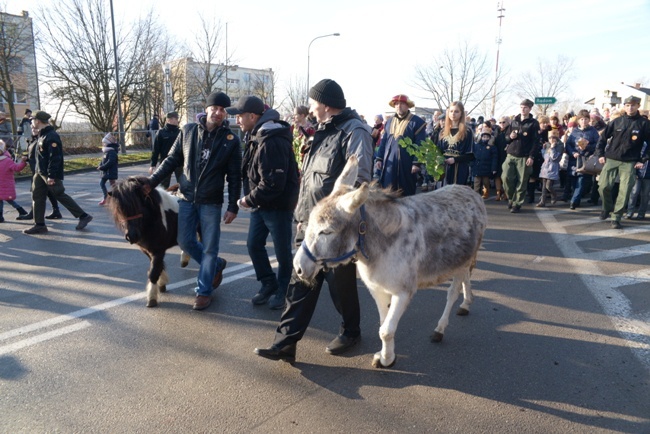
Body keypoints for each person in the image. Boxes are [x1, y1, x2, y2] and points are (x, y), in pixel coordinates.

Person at [255, 78, 373, 363]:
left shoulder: (353, 131)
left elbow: (361, 179)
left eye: (313, 102)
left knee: (339, 285)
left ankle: (351, 331)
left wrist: (338, 219)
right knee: (300, 280)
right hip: (311, 224)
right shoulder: (322, 132)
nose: (310, 107)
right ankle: (285, 342)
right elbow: (310, 181)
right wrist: (302, 217)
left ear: (326, 104)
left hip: (335, 228)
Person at [148, 91, 241, 310]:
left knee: (209, 248)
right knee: (185, 241)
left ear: (225, 113)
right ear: (206, 108)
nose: (217, 113)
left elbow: (235, 176)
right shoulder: (187, 131)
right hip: (187, 198)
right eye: (214, 108)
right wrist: (151, 182)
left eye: (222, 110)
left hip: (211, 202)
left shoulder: (231, 140)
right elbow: (171, 160)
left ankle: (204, 291)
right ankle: (216, 266)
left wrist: (232, 206)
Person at [228, 96, 299, 310]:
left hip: (276, 206)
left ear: (252, 116)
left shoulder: (271, 139)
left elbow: (272, 183)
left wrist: (247, 200)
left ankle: (285, 289)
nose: (237, 120)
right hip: (262, 204)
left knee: (282, 252)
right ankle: (269, 283)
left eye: (239, 116)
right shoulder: (257, 135)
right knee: (254, 245)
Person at [23, 111, 93, 235]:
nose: (31, 122)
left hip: (47, 173)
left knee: (59, 194)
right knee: (37, 197)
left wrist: (51, 175)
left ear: (38, 121)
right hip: (39, 172)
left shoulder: (51, 135)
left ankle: (83, 216)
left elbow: (55, 158)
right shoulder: (42, 135)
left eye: (32, 120)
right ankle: (39, 224)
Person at [596, 96, 650, 229]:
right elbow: (602, 139)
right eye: (627, 105)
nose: (630, 107)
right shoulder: (617, 121)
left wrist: (642, 159)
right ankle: (607, 208)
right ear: (624, 106)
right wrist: (600, 154)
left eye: (633, 105)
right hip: (612, 159)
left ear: (638, 106)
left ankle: (616, 217)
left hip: (629, 162)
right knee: (603, 186)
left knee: (625, 191)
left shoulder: (644, 123)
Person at [375, 94, 427, 196]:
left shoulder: (417, 122)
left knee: (406, 192)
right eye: (396, 104)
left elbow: (420, 143)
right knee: (388, 191)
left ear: (407, 105)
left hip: (407, 163)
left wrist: (416, 163)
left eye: (402, 103)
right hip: (389, 162)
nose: (399, 106)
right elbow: (384, 141)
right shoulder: (389, 122)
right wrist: (379, 158)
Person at [501, 99, 540, 213]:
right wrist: (510, 137)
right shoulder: (514, 121)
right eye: (521, 107)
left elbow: (536, 142)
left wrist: (531, 156)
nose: (523, 109)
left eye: (525, 107)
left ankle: (517, 204)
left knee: (522, 181)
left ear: (530, 109)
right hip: (511, 153)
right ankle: (511, 198)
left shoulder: (533, 123)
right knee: (506, 178)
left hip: (524, 156)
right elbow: (506, 138)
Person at [565, 110, 599, 210]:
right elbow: (568, 145)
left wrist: (588, 146)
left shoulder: (593, 131)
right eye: (582, 119)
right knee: (574, 181)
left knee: (582, 180)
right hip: (575, 159)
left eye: (586, 119)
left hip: (586, 159)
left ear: (589, 120)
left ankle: (573, 201)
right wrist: (573, 152)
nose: (584, 121)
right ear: (579, 120)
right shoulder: (575, 131)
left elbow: (598, 145)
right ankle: (577, 199)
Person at [437, 101, 475, 186]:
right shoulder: (443, 131)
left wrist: (455, 159)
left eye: (456, 111)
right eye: (451, 111)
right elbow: (438, 150)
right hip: (444, 168)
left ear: (461, 113)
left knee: (456, 195)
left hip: (460, 169)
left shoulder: (467, 131)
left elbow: (471, 155)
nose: (453, 114)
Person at [149, 112, 182, 189]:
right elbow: (156, 150)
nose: (177, 120)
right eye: (176, 119)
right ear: (169, 120)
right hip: (165, 161)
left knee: (182, 183)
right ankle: (163, 200)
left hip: (179, 162)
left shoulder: (180, 132)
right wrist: (153, 165)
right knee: (163, 185)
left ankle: (181, 199)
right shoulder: (161, 133)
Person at [0, 140, 28, 223]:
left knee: (9, 199)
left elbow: (17, 168)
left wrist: (23, 162)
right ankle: (1, 216)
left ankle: (21, 210)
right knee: (1, 200)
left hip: (6, 184)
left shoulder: (7, 160)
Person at [536, 130, 563, 207]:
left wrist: (552, 148)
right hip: (545, 167)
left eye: (553, 138)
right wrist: (544, 149)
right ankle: (542, 201)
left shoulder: (559, 146)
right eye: (550, 138)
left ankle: (554, 195)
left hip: (553, 167)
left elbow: (554, 158)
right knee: (544, 186)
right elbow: (544, 156)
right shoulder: (548, 144)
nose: (551, 140)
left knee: (548, 186)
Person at [472, 125, 497, 198]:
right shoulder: (476, 146)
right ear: (481, 137)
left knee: (486, 182)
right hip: (477, 167)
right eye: (484, 137)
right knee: (476, 182)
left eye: (487, 137)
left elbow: (494, 158)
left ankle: (486, 192)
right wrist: (472, 164)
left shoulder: (492, 147)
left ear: (490, 138)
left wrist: (493, 168)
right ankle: (475, 195)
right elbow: (472, 155)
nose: (485, 138)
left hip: (487, 167)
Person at [97, 132, 119, 205]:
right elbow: (103, 160)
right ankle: (107, 197)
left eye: (104, 143)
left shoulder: (112, 152)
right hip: (106, 172)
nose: (103, 144)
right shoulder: (106, 151)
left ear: (108, 143)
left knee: (113, 185)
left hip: (110, 171)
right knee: (102, 183)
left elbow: (111, 162)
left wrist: (102, 167)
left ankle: (116, 198)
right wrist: (100, 165)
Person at [494, 116, 510, 201]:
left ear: (508, 122)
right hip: (497, 155)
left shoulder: (510, 130)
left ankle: (506, 192)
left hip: (507, 155)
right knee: (497, 175)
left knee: (506, 175)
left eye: (504, 122)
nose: (502, 124)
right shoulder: (497, 131)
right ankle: (498, 192)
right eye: (500, 122)